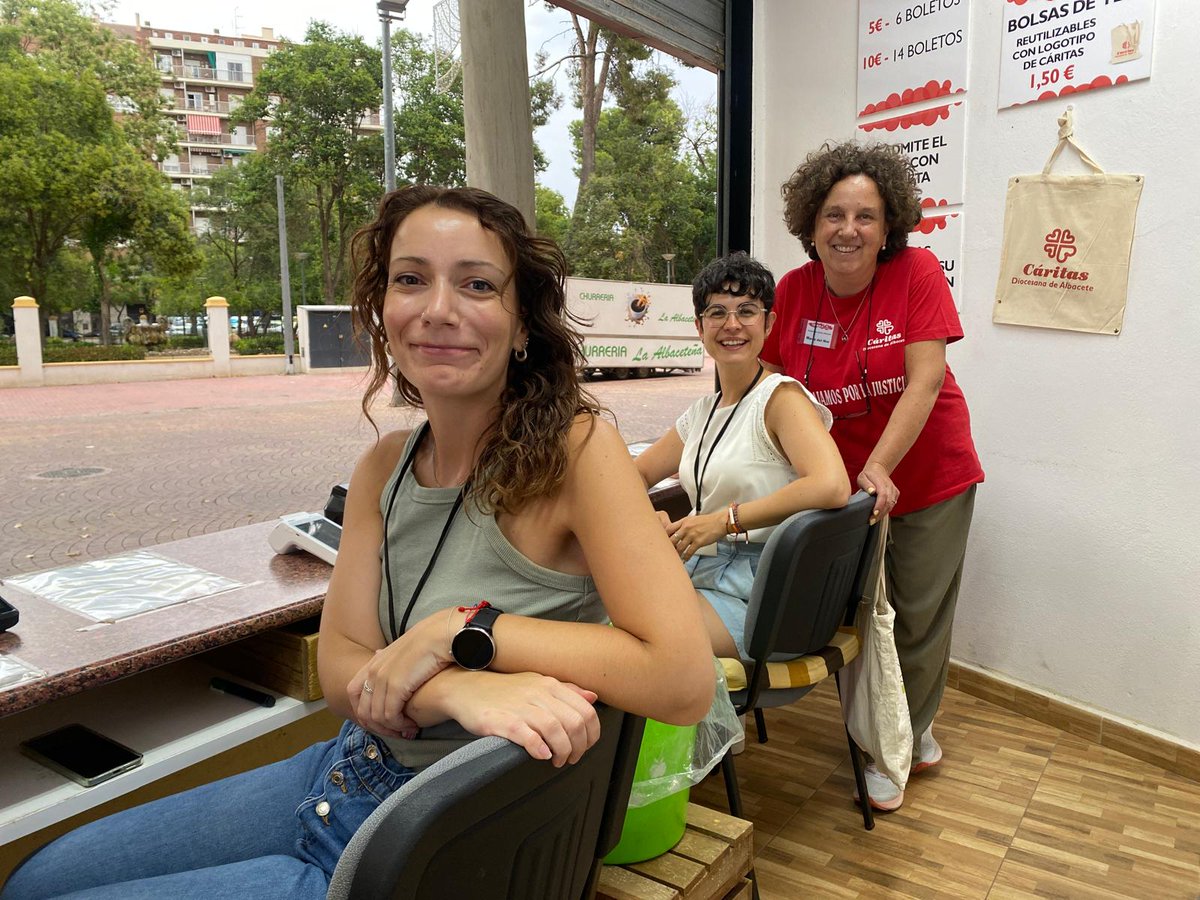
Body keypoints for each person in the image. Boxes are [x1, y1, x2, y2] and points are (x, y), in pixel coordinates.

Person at [2, 186, 715, 900]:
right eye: (410, 279)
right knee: (37, 879)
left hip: (441, 837)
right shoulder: (384, 468)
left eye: (476, 283)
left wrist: (462, 633)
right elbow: (345, 670)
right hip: (348, 772)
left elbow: (681, 680)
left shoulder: (578, 451)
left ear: (522, 321)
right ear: (384, 312)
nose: (438, 308)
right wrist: (453, 688)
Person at [761, 141, 984, 811]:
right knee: (857, 610)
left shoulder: (915, 271)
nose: (848, 229)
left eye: (866, 215)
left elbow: (926, 379)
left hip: (928, 470)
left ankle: (904, 741)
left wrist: (880, 466)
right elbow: (772, 390)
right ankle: (895, 722)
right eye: (833, 214)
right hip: (846, 485)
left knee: (914, 614)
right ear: (811, 224)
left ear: (889, 226)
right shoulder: (794, 291)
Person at [634, 252, 849, 662]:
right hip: (705, 573)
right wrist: (645, 516)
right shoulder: (703, 411)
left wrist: (723, 521)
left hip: (762, 592)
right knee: (602, 606)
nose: (732, 325)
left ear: (768, 324)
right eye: (717, 312)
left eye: (746, 311)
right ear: (699, 328)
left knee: (634, 637)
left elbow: (832, 485)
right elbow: (636, 472)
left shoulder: (781, 398)